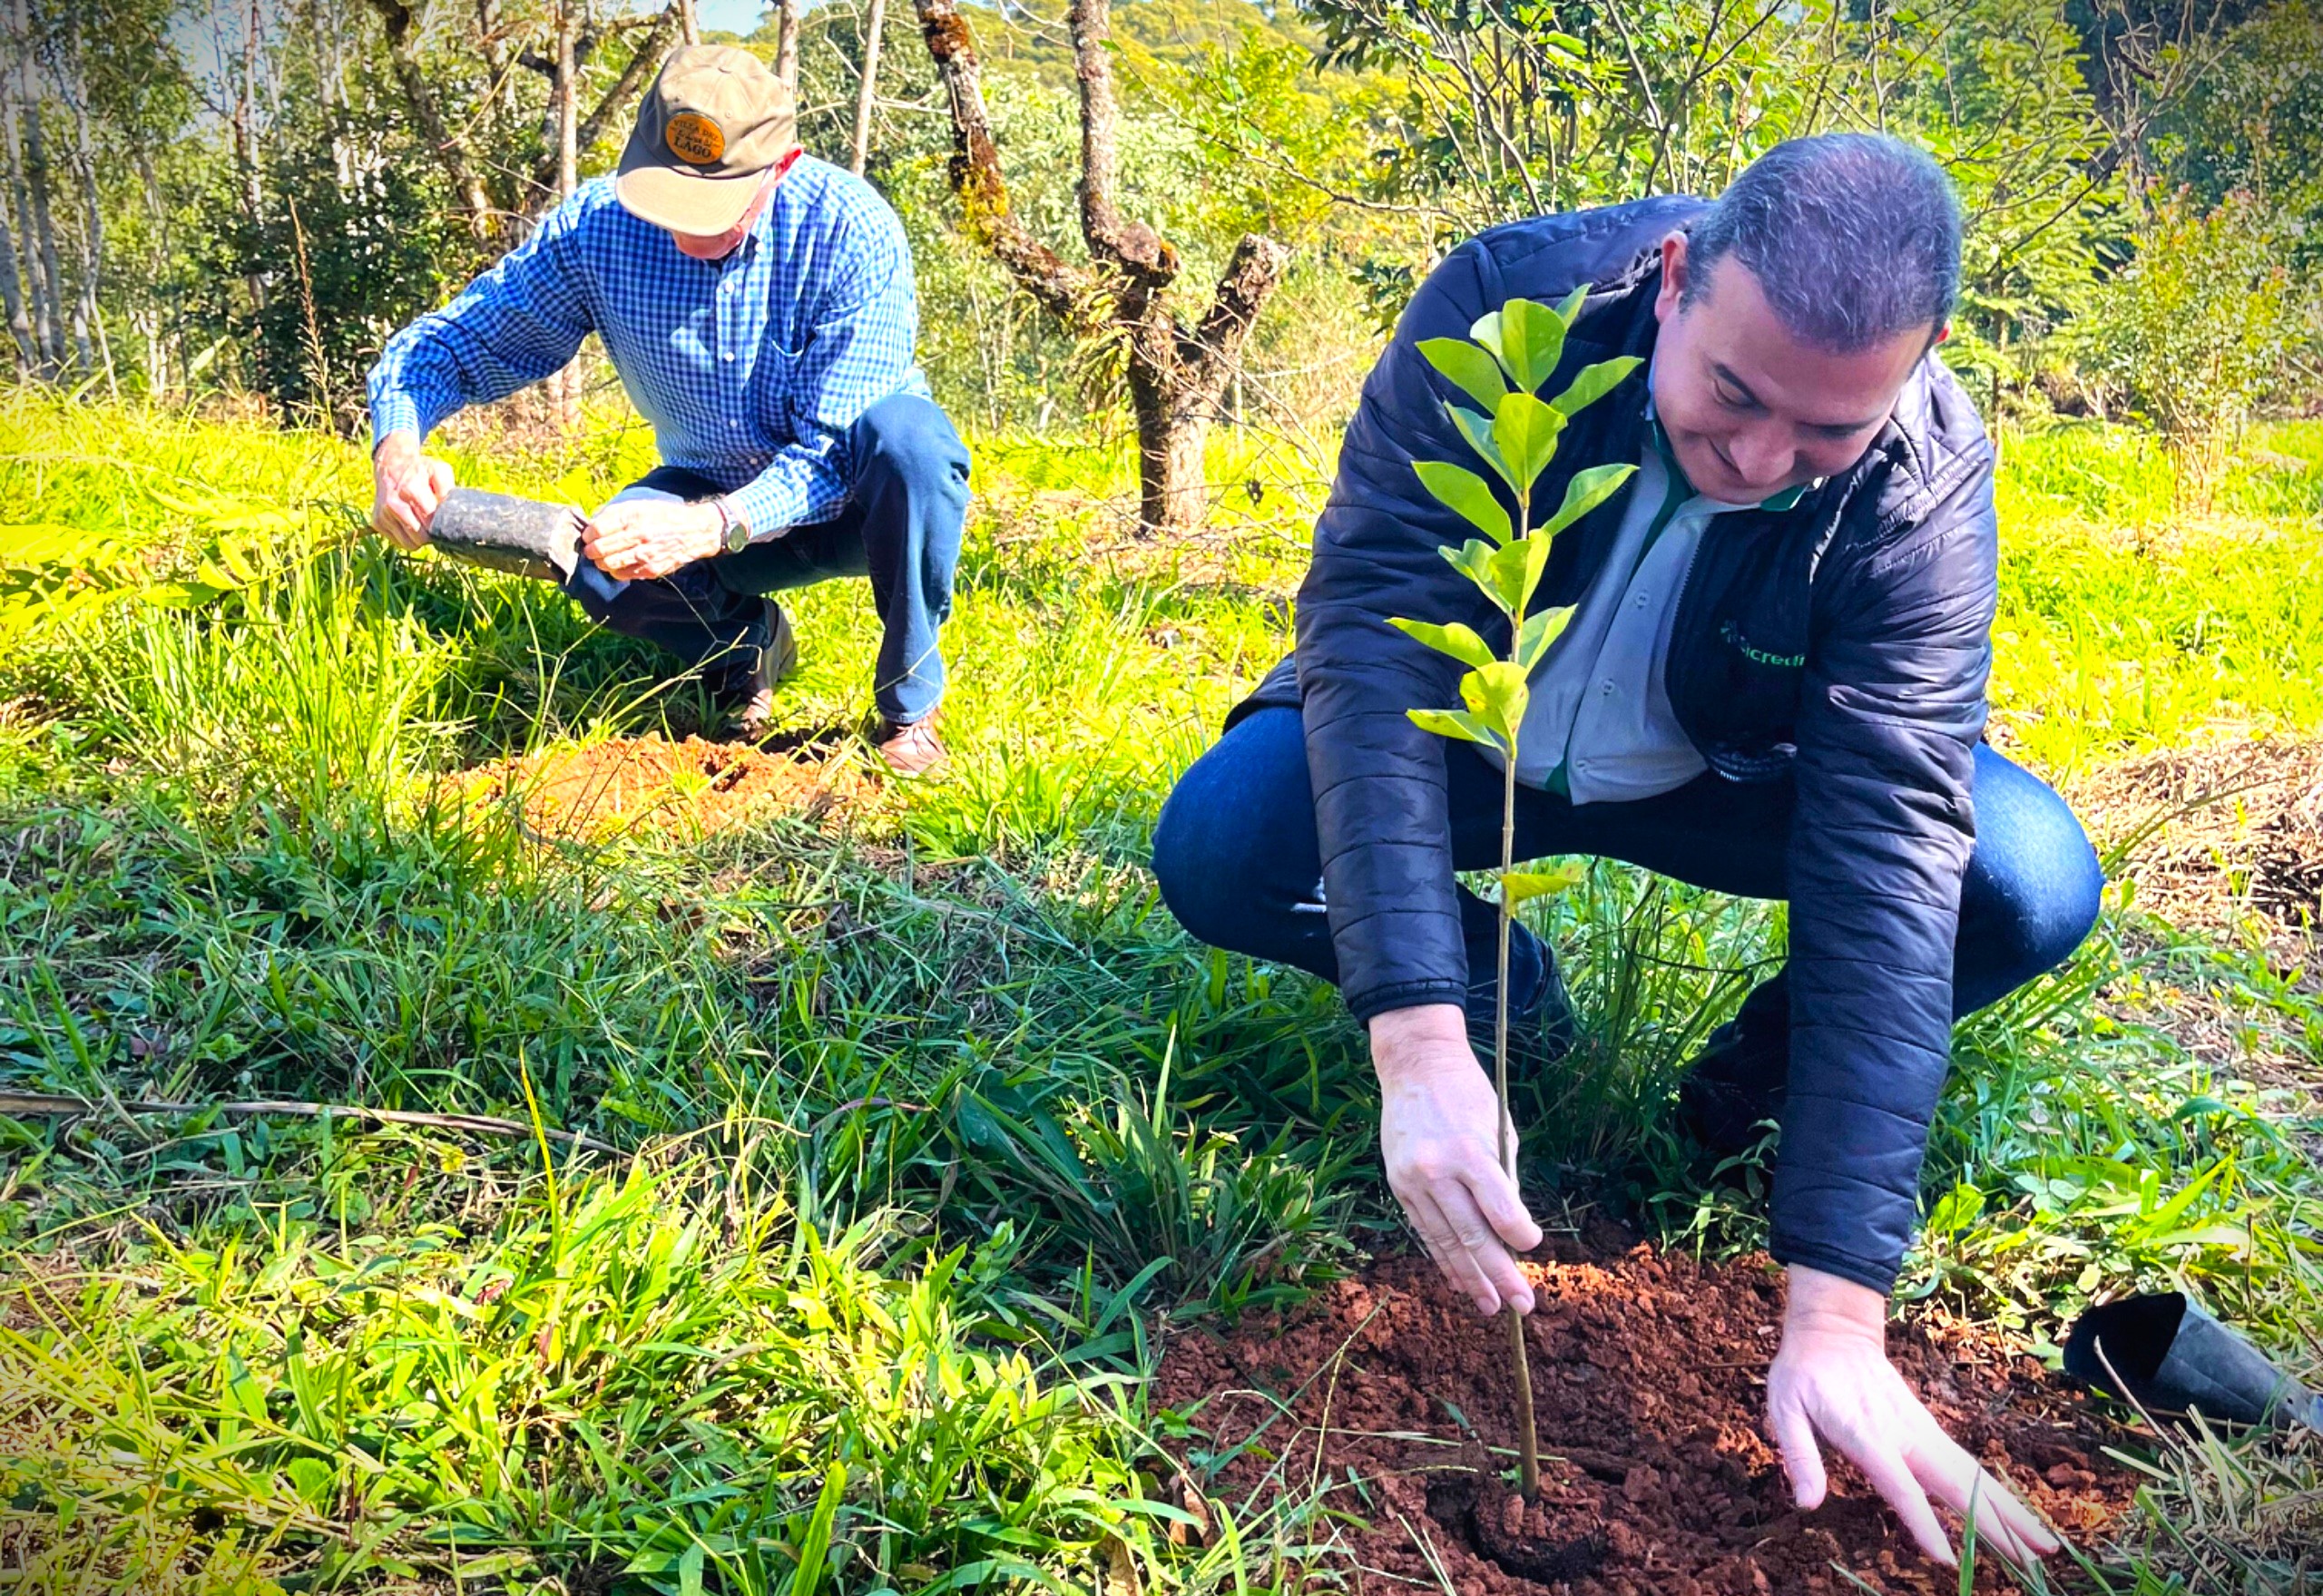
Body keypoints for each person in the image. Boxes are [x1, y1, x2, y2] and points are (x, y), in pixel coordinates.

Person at [1152, 134, 2102, 1568]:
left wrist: (1840, 1303)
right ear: (1674, 281)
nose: (1764, 459)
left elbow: (1891, 838)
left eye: (1827, 432)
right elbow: (1368, 638)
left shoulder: (1921, 473)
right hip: (1474, 740)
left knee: (2021, 878)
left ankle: (1733, 1097)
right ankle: (1498, 993)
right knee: (1228, 845)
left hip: (1728, 769)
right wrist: (1416, 1034)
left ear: (1920, 364)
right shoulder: (1504, 314)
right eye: (1733, 394)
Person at [366, 44, 967, 778]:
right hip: (707, 482)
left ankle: (910, 706)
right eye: (667, 202)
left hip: (854, 502)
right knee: (600, 561)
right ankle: (745, 649)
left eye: (712, 212)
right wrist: (397, 447)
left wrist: (708, 526)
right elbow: (453, 345)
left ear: (781, 167)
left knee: (912, 443)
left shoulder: (851, 231)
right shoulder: (597, 228)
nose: (684, 234)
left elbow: (836, 451)